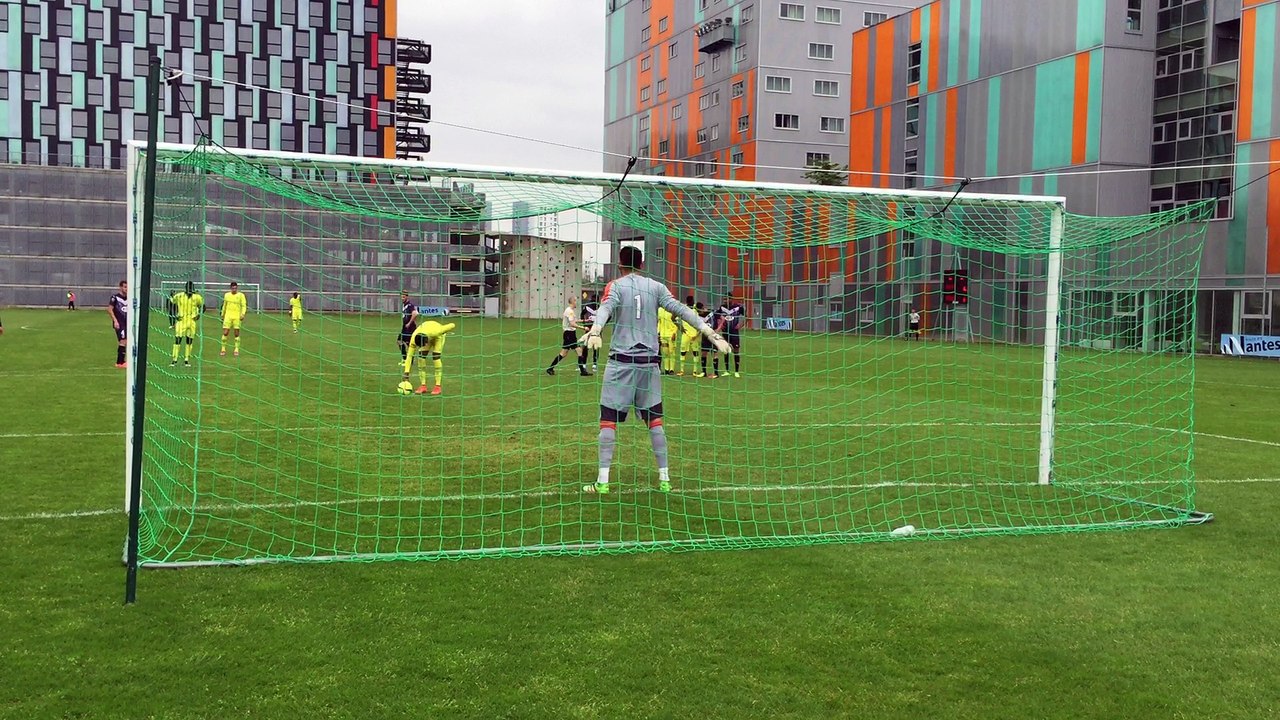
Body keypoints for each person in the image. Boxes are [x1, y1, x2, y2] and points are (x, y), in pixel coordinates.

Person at [582, 246, 730, 494]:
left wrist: (596, 330)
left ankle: (603, 482)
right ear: (642, 263)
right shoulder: (657, 287)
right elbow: (682, 310)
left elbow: (606, 308)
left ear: (620, 264)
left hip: (621, 362)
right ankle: (664, 479)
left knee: (608, 422)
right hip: (649, 364)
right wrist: (711, 334)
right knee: (655, 422)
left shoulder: (616, 285)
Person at [402, 320, 456, 395]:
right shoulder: (413, 340)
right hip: (427, 333)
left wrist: (445, 329)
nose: (423, 346)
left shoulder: (437, 331)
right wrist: (406, 372)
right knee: (420, 357)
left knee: (436, 357)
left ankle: (438, 386)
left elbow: (452, 324)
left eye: (424, 344)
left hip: (438, 336)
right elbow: (409, 356)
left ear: (426, 341)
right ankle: (423, 385)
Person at [547, 296, 592, 377]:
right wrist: (583, 328)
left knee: (563, 353)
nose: (576, 303)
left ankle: (550, 368)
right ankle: (583, 371)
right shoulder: (569, 311)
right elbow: (572, 324)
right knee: (579, 351)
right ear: (572, 302)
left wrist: (584, 320)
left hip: (570, 334)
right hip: (569, 334)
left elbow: (574, 321)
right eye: (575, 301)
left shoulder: (570, 311)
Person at [168, 281, 204, 367]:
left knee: (189, 340)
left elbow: (203, 306)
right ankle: (174, 360)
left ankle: (186, 360)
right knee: (178, 339)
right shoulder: (179, 296)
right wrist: (174, 316)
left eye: (191, 290)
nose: (190, 292)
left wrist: (199, 315)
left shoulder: (197, 297)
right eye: (189, 290)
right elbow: (171, 303)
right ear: (186, 289)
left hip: (192, 321)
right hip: (181, 321)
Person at [716, 296, 745, 378]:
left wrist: (741, 325)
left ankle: (736, 371)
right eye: (724, 299)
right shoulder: (721, 308)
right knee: (726, 350)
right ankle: (727, 371)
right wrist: (720, 325)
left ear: (731, 299)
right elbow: (716, 316)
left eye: (727, 299)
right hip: (725, 332)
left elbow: (747, 316)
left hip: (734, 332)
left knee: (736, 351)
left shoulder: (738, 307)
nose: (725, 300)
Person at [219, 282, 248, 356]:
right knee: (225, 332)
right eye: (233, 288)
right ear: (230, 288)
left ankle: (236, 349)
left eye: (235, 288)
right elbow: (224, 305)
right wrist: (222, 314)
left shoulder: (241, 295)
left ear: (237, 288)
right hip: (228, 316)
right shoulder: (227, 295)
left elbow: (244, 305)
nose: (234, 289)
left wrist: (243, 314)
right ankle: (223, 349)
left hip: (237, 316)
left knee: (236, 333)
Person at [695, 302, 720, 379]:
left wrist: (718, 329)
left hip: (713, 335)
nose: (700, 312)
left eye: (700, 310)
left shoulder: (711, 313)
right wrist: (696, 335)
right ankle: (704, 372)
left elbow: (722, 319)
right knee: (703, 353)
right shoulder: (698, 317)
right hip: (705, 336)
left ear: (703, 308)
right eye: (698, 311)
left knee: (715, 353)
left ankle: (716, 373)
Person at [677, 295, 699, 376]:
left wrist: (697, 333)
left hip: (694, 335)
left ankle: (695, 371)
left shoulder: (696, 309)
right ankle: (682, 370)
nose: (692, 302)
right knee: (682, 352)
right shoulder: (683, 309)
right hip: (686, 334)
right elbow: (675, 319)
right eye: (691, 301)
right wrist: (681, 328)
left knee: (695, 352)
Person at [108, 280, 128, 368]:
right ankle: (120, 362)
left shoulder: (129, 298)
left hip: (127, 322)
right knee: (123, 340)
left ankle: (123, 361)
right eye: (125, 287)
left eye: (127, 287)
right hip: (119, 323)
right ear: (120, 287)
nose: (126, 289)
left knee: (126, 340)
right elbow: (109, 309)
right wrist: (115, 320)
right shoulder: (115, 297)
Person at [580, 291, 601, 371]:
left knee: (586, 345)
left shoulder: (589, 306)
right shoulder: (599, 307)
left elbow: (582, 314)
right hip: (596, 328)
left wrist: (584, 323)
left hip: (589, 328)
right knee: (595, 346)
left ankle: (584, 364)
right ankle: (594, 364)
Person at [398, 290, 419, 361]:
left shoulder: (410, 305)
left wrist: (409, 323)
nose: (402, 298)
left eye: (404, 297)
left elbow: (415, 313)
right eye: (402, 297)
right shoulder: (405, 305)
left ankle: (409, 360)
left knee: (409, 343)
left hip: (410, 328)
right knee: (400, 341)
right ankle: (406, 359)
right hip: (405, 327)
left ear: (407, 297)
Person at [657, 305, 678, 375]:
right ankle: (666, 369)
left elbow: (676, 323)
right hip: (663, 335)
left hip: (671, 335)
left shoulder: (673, 309)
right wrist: (658, 332)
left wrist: (674, 333)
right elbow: (659, 322)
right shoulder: (660, 310)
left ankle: (671, 369)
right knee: (665, 352)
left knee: (671, 352)